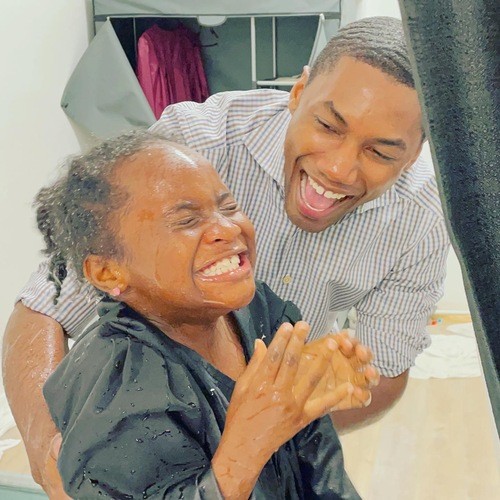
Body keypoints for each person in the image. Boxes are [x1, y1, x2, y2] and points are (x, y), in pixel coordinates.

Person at [2, 16, 448, 496]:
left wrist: (279, 419)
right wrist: (46, 452)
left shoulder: (281, 314)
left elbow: (378, 380)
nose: (339, 169)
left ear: (416, 153)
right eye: (327, 126)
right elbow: (44, 307)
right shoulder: (187, 153)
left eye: (380, 153)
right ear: (298, 92)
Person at [38, 131, 365, 498]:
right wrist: (244, 451)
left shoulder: (263, 314)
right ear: (108, 272)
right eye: (187, 220)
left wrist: (313, 390)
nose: (228, 228)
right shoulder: (116, 386)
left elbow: (320, 465)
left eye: (228, 207)